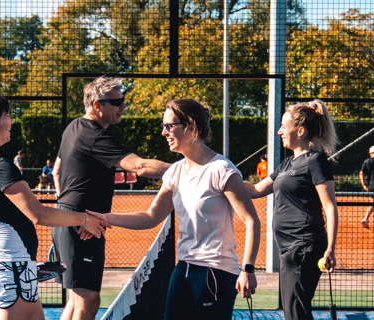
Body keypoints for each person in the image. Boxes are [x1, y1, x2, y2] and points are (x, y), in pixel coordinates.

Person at [101, 99, 261, 319]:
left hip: (216, 272)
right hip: (184, 268)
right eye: (163, 126)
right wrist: (106, 218)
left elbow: (252, 221)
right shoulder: (175, 172)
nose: (164, 132)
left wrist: (248, 269)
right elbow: (151, 216)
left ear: (191, 127)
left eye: (169, 126)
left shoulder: (222, 170)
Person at [0, 94, 109, 319]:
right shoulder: (0, 167)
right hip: (11, 267)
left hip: (3, 266)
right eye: (6, 115)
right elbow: (39, 214)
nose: (11, 121)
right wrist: (84, 219)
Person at [51, 76, 171, 320]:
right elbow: (140, 167)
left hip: (74, 221)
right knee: (89, 300)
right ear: (97, 105)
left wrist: (66, 208)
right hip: (82, 224)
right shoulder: (95, 135)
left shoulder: (73, 127)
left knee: (77, 300)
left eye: (122, 101)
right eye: (117, 102)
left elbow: (56, 170)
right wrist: (193, 169)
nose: (123, 106)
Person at [244, 99, 341, 320]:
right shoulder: (286, 164)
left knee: (296, 310)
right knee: (292, 310)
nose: (279, 132)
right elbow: (256, 189)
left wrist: (331, 249)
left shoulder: (315, 161)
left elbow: (330, 207)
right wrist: (221, 177)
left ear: (300, 131)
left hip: (304, 247)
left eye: (283, 127)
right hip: (287, 248)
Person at [359, 145, 374, 230]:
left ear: (371, 153)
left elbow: (361, 173)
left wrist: (364, 184)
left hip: (371, 185)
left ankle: (366, 218)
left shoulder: (367, 161)